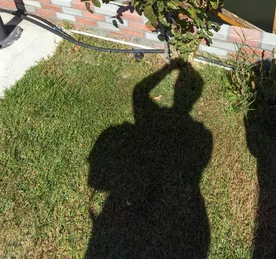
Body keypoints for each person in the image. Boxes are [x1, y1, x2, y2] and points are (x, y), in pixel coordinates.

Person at [85, 61, 213, 259]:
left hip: (136, 197)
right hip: (175, 204)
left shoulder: (156, 120)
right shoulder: (202, 135)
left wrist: (167, 68)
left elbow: (138, 92)